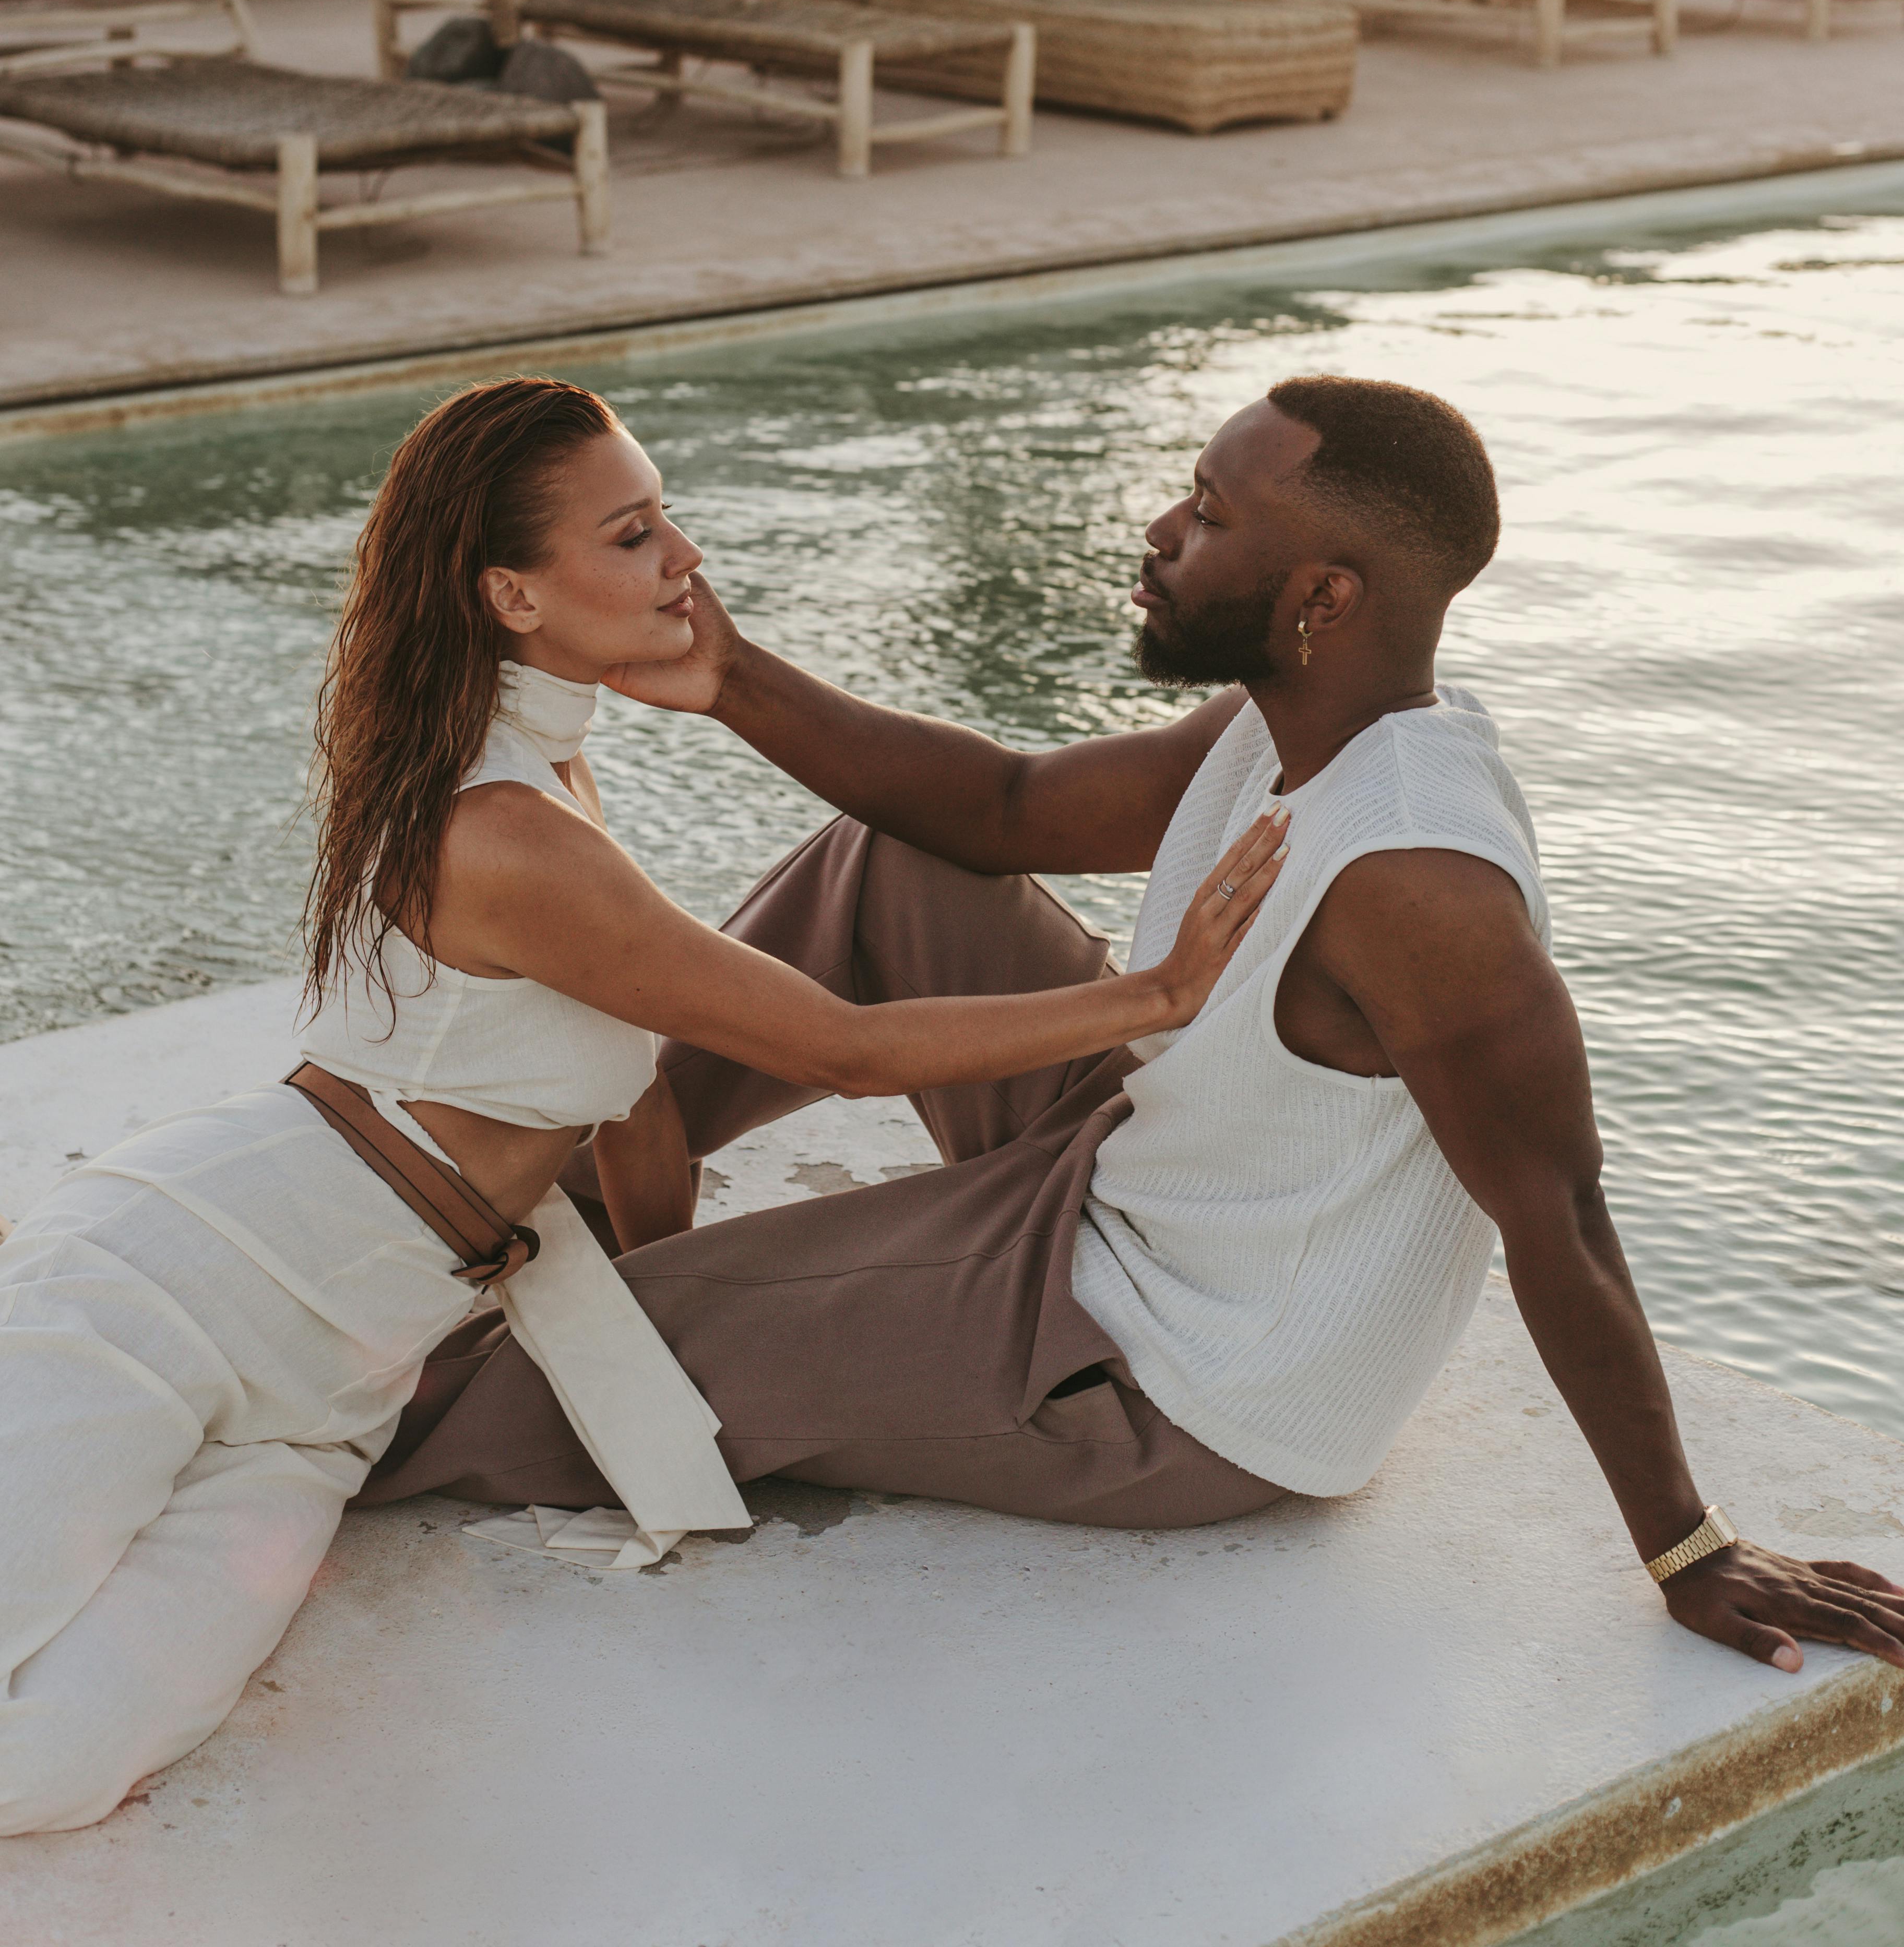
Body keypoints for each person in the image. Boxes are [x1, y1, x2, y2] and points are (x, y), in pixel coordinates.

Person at [370, 373, 1904, 1685]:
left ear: (1324, 597)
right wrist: (733, 681)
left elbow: (1559, 1212)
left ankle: (317, 1414)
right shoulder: (1287, 721)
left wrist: (1687, 1546)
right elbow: (1002, 809)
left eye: (1213, 515)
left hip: (1166, 1363)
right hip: (1132, 1163)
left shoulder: (1417, 879)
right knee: (889, 865)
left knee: (605, 1355)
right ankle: (562, 1164)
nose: (1164, 533)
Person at [0, 379, 1283, 1837]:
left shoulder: (546, 775)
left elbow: (635, 1106)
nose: (685, 557)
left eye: (666, 515)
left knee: (58, 1768)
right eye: (633, 534)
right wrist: (1150, 996)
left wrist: (669, 1300)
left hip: (331, 1400)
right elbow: (847, 1050)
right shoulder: (498, 831)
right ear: (512, 595)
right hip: (181, 1280)